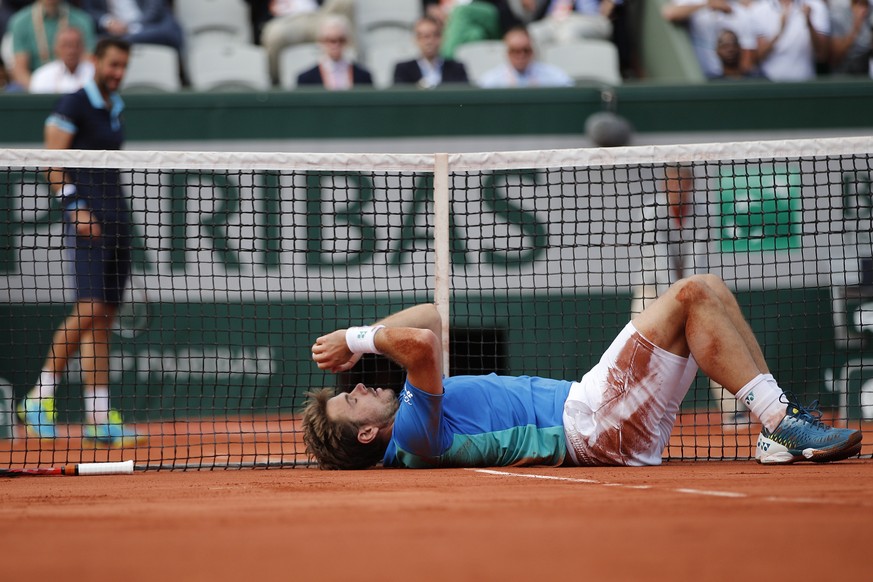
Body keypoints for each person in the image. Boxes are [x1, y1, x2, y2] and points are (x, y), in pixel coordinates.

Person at [304, 276, 863, 470]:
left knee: (708, 288)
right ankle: (780, 422)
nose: (356, 388)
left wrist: (360, 348)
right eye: (351, 402)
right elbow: (422, 342)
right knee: (691, 294)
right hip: (593, 426)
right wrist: (358, 339)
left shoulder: (408, 414)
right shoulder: (412, 435)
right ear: (370, 434)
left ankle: (776, 425)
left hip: (593, 409)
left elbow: (429, 318)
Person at [17, 37, 144, 448]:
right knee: (88, 311)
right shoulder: (73, 103)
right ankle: (39, 397)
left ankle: (97, 418)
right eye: (112, 65)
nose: (117, 72)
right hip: (88, 222)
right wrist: (75, 207)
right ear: (95, 62)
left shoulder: (116, 106)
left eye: (123, 65)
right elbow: (52, 161)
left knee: (103, 320)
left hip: (116, 223)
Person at [631, 163, 749, 429]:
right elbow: (660, 263)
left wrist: (690, 300)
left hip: (694, 287)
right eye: (673, 184)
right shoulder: (650, 212)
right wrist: (673, 306)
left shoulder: (704, 211)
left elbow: (698, 261)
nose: (679, 190)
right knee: (638, 346)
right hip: (653, 289)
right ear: (665, 186)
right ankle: (638, 414)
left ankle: (734, 412)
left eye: (684, 184)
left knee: (718, 340)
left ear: (691, 185)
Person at [7, 0, 96, 90]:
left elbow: (87, 61)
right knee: (14, 89)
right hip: (36, 83)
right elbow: (20, 69)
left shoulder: (82, 20)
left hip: (75, 81)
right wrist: (38, 87)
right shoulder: (20, 22)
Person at [259, 0, 354, 84]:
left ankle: (354, 72)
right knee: (275, 34)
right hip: (288, 20)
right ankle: (275, 82)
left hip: (318, 15)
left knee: (344, 10)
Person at [661, 0, 757, 79]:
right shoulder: (697, 5)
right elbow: (670, 13)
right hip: (702, 75)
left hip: (729, 78)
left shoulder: (740, 12)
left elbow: (747, 59)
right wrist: (708, 4)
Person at [748, 0, 830, 81]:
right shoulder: (758, 10)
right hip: (770, 85)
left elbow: (822, 54)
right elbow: (758, 57)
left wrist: (809, 23)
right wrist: (780, 31)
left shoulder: (817, 7)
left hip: (805, 84)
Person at [477, 24, 573, 86]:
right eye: (515, 51)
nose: (521, 55)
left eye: (526, 50)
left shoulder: (554, 76)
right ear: (507, 53)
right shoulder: (491, 81)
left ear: (533, 51)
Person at [296, 15, 372, 89]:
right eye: (331, 40)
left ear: (348, 41)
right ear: (321, 41)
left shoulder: (363, 76)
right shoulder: (306, 79)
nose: (336, 45)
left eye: (341, 40)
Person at [393, 15, 470, 88]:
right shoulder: (403, 70)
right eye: (424, 36)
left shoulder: (457, 69)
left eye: (435, 35)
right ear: (415, 40)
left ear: (442, 38)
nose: (429, 41)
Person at [81, 0, 183, 53]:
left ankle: (122, 41)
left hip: (148, 27)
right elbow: (89, 12)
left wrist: (130, 28)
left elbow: (155, 10)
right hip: (111, 32)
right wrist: (107, 22)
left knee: (170, 32)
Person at [28, 25, 94, 93]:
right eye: (66, 45)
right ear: (56, 48)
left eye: (76, 45)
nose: (71, 51)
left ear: (83, 48)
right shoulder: (42, 76)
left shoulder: (94, 73)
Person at [527, 0, 618, 45]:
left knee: (568, 32)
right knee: (531, 33)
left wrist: (610, 4)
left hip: (590, 18)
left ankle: (567, 78)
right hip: (554, 19)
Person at [828, 0, 872, 75]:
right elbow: (835, 58)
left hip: (866, 74)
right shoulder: (838, 14)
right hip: (843, 74)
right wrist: (856, 27)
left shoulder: (870, 14)